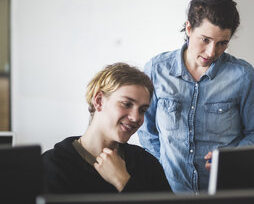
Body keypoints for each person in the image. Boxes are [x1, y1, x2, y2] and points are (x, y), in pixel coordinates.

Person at [138, 0, 254, 194]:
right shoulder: (157, 70)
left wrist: (230, 157)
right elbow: (147, 132)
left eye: (222, 43)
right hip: (169, 192)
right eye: (205, 39)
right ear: (189, 28)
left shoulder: (243, 76)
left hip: (225, 193)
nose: (211, 52)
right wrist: (160, 172)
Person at [42, 62, 171, 194]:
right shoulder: (51, 166)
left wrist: (123, 181)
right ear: (99, 101)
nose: (136, 117)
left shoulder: (146, 164)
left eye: (143, 110)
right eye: (126, 104)